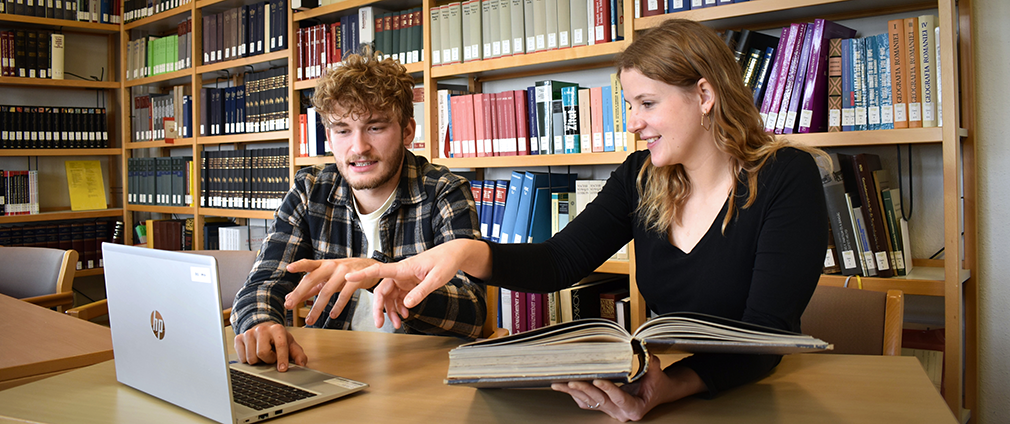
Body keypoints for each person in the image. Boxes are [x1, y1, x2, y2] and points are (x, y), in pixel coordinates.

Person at [347, 19, 829, 422]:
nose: (634, 122)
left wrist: (668, 389)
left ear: (704, 94)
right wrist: (463, 253)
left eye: (648, 103)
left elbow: (767, 335)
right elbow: (559, 261)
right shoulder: (640, 177)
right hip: (670, 396)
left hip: (754, 402)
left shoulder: (787, 177)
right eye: (630, 106)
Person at [230, 47, 487, 372]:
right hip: (332, 365)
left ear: (408, 130)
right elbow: (264, 282)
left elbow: (473, 313)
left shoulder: (444, 191)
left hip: (422, 369)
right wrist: (260, 323)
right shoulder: (310, 190)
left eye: (375, 127)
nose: (359, 147)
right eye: (343, 130)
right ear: (329, 135)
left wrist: (379, 273)